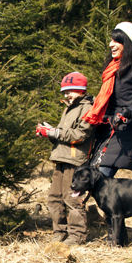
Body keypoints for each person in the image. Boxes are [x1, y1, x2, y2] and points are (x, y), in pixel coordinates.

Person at [83, 22, 132, 178]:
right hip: (104, 132)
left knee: (100, 179)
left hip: (122, 133)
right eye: (111, 40)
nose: (111, 44)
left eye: (117, 41)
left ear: (127, 44)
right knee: (93, 181)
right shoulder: (112, 69)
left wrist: (127, 112)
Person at [36, 72, 94, 245]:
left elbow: (80, 135)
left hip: (75, 160)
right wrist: (49, 133)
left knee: (72, 199)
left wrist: (55, 132)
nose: (67, 94)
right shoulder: (69, 108)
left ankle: (76, 236)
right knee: (54, 197)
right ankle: (59, 232)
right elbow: (64, 135)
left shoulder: (87, 108)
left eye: (71, 91)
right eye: (65, 91)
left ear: (82, 90)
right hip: (61, 157)